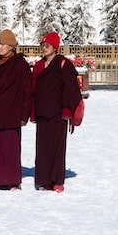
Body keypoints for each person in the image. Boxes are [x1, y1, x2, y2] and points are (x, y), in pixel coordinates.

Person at [0, 30, 32, 190]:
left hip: (12, 112)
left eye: (2, 44)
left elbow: (27, 91)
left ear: (11, 46)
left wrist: (24, 115)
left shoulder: (20, 64)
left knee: (10, 148)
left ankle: (11, 180)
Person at [31, 32, 81, 193]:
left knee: (57, 148)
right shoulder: (39, 66)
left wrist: (67, 110)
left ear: (55, 47)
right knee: (43, 148)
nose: (44, 49)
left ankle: (57, 180)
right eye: (42, 46)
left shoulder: (63, 64)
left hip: (58, 113)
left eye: (47, 46)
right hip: (42, 112)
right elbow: (34, 90)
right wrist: (33, 112)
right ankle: (44, 180)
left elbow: (71, 89)